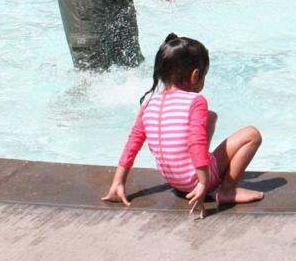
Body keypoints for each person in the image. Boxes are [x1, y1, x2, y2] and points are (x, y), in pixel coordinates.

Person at [102, 34, 264, 217]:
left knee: (210, 117)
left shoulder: (148, 103)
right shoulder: (196, 101)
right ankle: (227, 190)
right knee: (252, 134)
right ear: (195, 75)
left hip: (174, 179)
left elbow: (133, 143)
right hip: (196, 179)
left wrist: (118, 181)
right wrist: (203, 184)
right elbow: (196, 143)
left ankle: (200, 174)